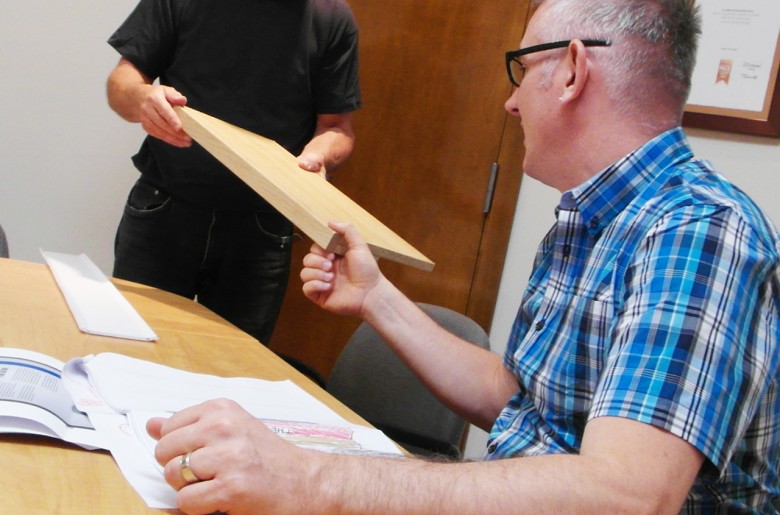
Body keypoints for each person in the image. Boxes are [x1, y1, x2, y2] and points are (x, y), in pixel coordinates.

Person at [146, 0, 780, 512]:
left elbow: (626, 496)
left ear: (572, 70)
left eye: (523, 67)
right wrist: (376, 298)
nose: (510, 102)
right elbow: (519, 398)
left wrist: (314, 480)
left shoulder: (699, 230)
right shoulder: (583, 221)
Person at [106, 0, 361, 344]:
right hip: (163, 208)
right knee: (130, 349)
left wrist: (317, 156)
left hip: (261, 228)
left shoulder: (331, 17)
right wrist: (143, 98)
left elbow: (337, 127)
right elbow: (121, 82)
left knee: (235, 372)